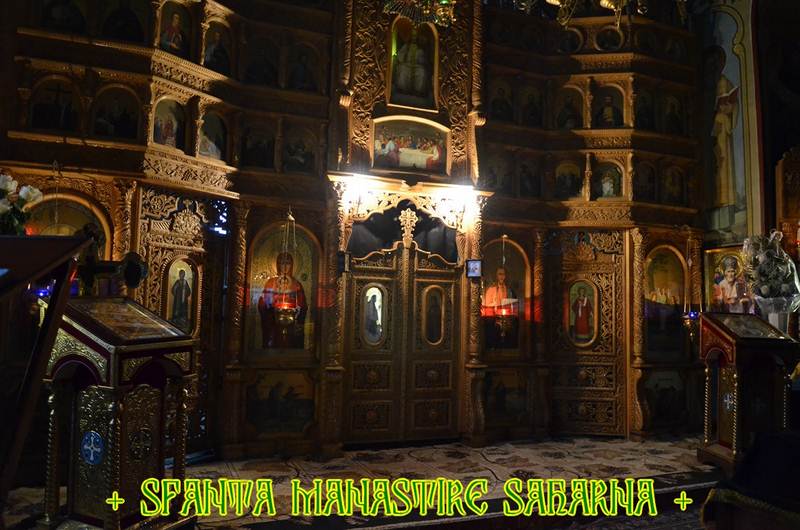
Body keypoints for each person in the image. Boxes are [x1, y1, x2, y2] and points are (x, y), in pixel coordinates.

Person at [257, 252, 308, 349]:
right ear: (278, 265)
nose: (285, 266)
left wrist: (297, 317)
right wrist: (271, 313)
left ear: (292, 265)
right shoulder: (271, 282)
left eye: (287, 263)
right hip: (274, 323)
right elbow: (263, 304)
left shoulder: (296, 284)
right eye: (282, 263)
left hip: (292, 323)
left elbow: (303, 306)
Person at [394, 28, 428, 97]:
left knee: (422, 72)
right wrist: (403, 57)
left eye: (415, 36)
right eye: (413, 36)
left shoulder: (420, 48)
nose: (414, 38)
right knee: (403, 69)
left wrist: (420, 60)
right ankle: (403, 90)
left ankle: (418, 91)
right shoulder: (406, 46)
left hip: (417, 66)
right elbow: (400, 55)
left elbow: (423, 59)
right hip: (407, 64)